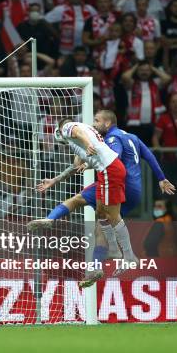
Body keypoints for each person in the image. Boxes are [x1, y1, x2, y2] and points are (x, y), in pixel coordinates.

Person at [28, 116, 137, 277]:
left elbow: (77, 132)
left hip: (109, 171)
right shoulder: (80, 141)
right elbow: (75, 166)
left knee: (113, 216)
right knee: (100, 212)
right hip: (108, 171)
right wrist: (55, 180)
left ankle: (129, 256)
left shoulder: (69, 127)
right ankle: (113, 250)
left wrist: (88, 145)